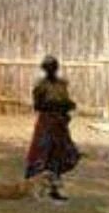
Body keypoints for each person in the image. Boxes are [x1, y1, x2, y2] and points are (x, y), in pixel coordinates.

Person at [24, 55, 81, 201]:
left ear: (56, 67)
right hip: (46, 123)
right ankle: (30, 188)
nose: (51, 69)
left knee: (61, 155)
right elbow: (38, 106)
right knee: (41, 155)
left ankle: (53, 189)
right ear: (44, 69)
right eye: (48, 67)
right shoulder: (41, 86)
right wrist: (55, 106)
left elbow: (66, 101)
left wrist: (68, 105)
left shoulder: (62, 84)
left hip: (60, 123)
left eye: (53, 67)